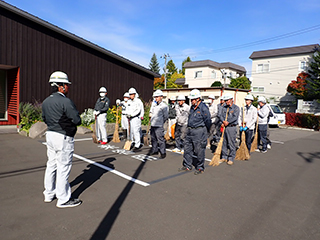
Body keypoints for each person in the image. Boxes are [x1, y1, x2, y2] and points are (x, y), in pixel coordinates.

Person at [42, 71, 82, 208]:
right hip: (63, 137)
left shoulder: (46, 101)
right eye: (66, 85)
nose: (68, 88)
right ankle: (63, 198)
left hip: (50, 134)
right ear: (61, 86)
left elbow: (44, 119)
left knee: (51, 165)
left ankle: (48, 193)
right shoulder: (65, 101)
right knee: (63, 167)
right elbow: (76, 119)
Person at [179, 89, 211, 175]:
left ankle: (200, 167)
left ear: (198, 99)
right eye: (191, 99)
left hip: (199, 131)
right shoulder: (192, 108)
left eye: (193, 99)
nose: (191, 101)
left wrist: (205, 131)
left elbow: (208, 121)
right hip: (190, 130)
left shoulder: (204, 108)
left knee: (199, 150)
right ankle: (187, 165)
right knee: (187, 148)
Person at [218, 93, 240, 165]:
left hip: (231, 127)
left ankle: (231, 157)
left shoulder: (236, 108)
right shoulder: (224, 107)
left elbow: (235, 117)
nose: (226, 102)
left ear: (231, 100)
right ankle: (224, 156)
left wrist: (228, 122)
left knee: (231, 143)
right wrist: (223, 121)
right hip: (224, 126)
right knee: (224, 142)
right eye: (225, 100)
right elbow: (220, 115)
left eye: (227, 100)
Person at [148, 90, 168, 158]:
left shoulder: (164, 106)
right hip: (153, 124)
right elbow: (151, 111)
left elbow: (166, 116)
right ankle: (155, 150)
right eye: (155, 97)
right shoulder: (154, 104)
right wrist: (150, 114)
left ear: (161, 97)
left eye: (157, 97)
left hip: (159, 125)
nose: (156, 98)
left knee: (160, 139)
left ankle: (163, 152)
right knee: (153, 138)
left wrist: (161, 121)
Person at [126, 87, 143, 152]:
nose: (131, 95)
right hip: (130, 118)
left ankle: (137, 144)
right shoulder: (129, 101)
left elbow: (138, 110)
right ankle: (132, 142)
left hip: (136, 118)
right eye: (130, 94)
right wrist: (127, 114)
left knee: (136, 131)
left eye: (132, 94)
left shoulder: (138, 101)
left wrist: (132, 115)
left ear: (135, 94)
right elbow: (128, 109)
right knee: (131, 131)